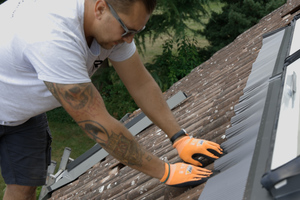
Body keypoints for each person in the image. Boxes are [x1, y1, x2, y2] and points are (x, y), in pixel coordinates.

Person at [0, 0, 223, 199]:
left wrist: (179, 137)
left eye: (137, 31)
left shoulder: (111, 25)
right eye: (127, 30)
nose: (130, 39)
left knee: (24, 188)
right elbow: (100, 125)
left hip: (20, 114)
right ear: (100, 8)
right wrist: (164, 171)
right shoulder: (51, 37)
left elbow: (141, 84)